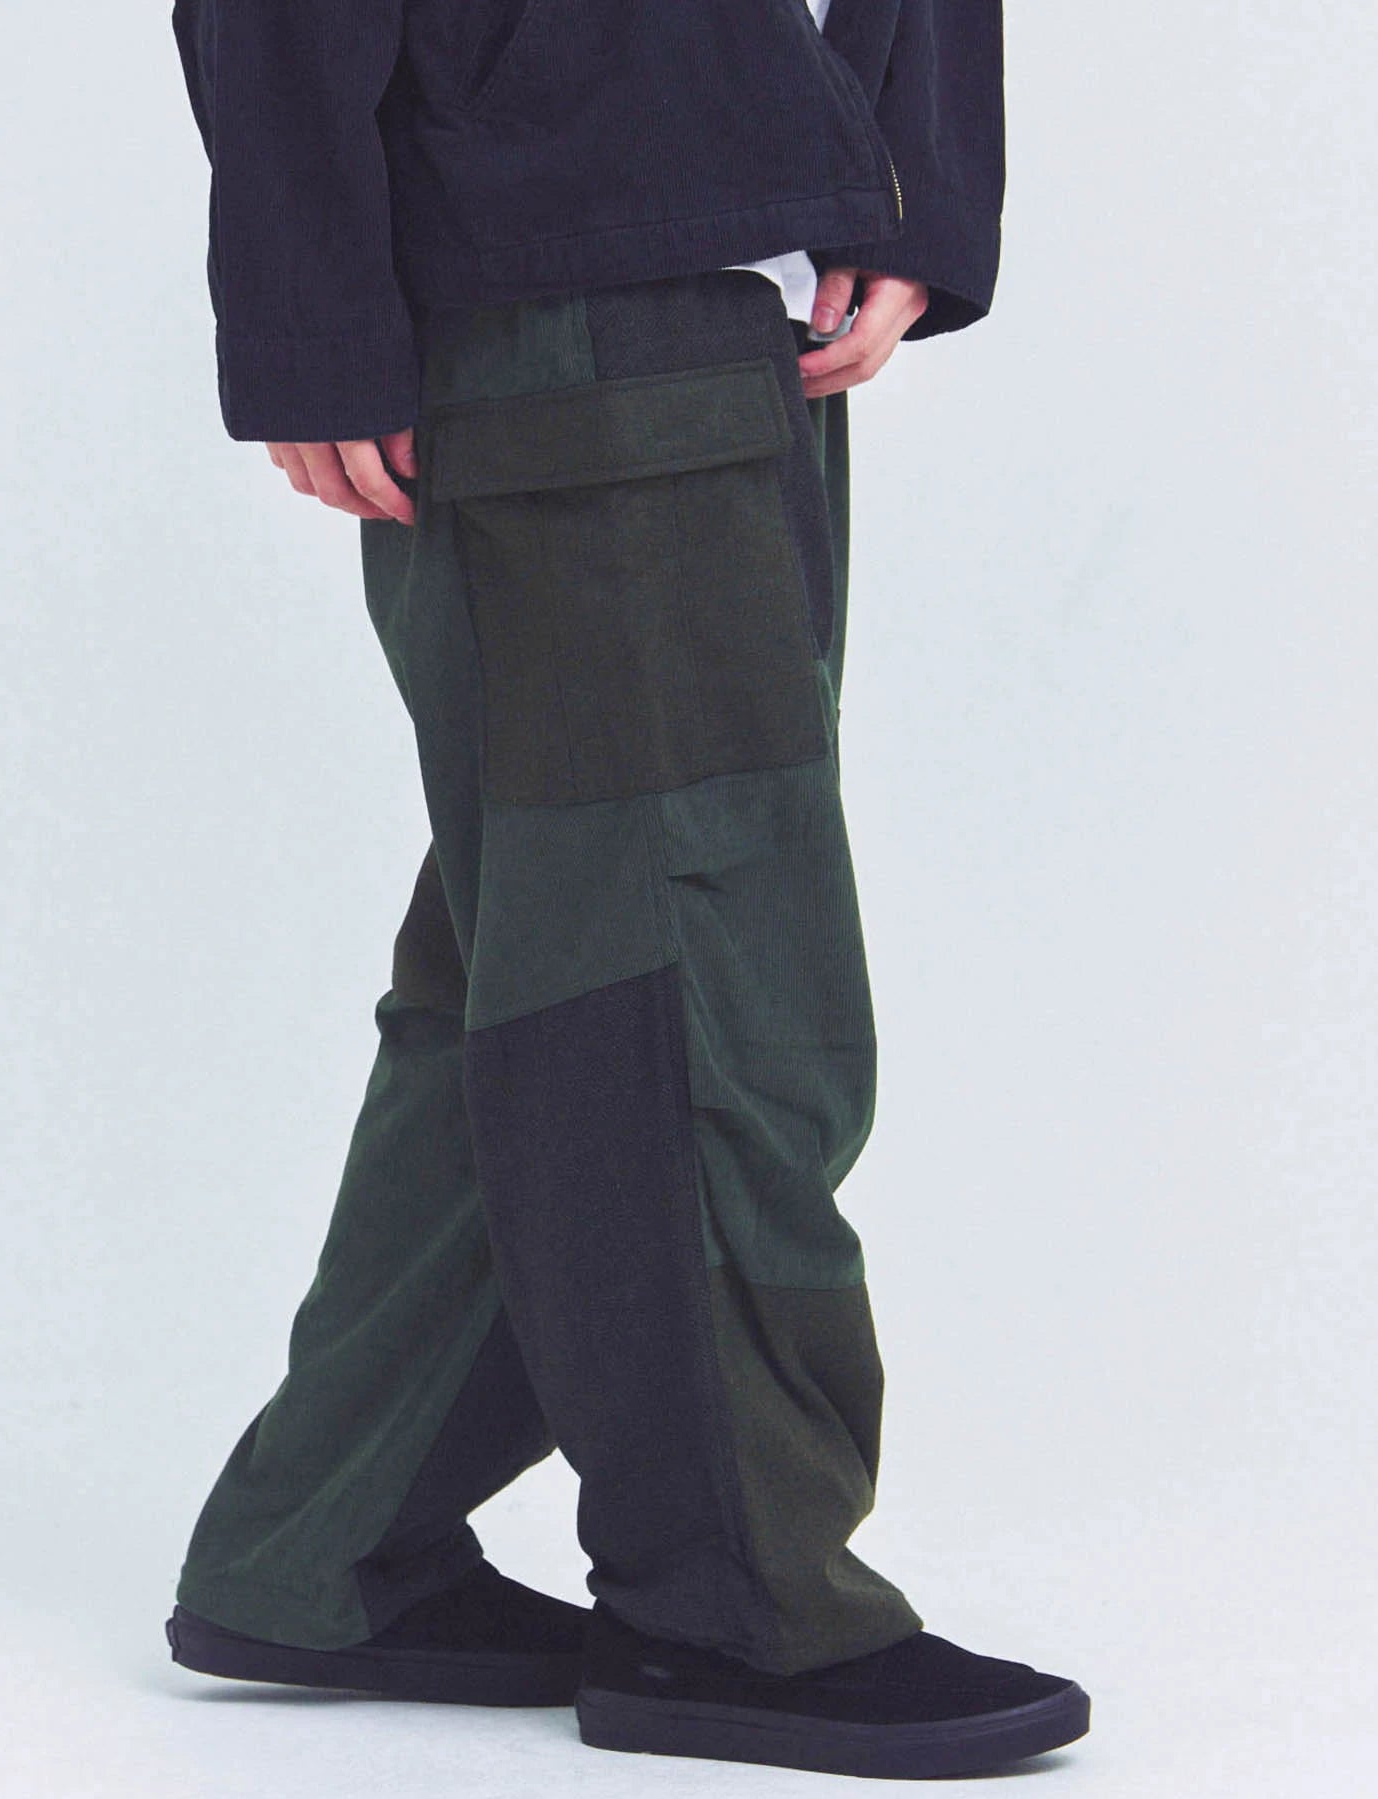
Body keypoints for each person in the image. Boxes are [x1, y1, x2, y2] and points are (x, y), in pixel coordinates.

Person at [162, 1, 1090, 1780]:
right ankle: (741, 1605)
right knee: (684, 969)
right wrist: (308, 310)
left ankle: (324, 1543)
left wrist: (906, 167)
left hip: (729, 287)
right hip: (554, 288)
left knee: (554, 951)